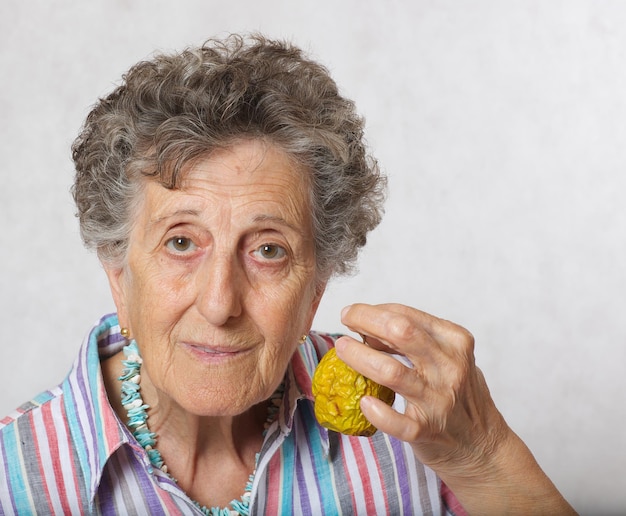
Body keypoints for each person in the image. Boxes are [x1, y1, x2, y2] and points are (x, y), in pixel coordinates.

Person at [0, 34, 575, 515]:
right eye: (181, 242)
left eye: (269, 250)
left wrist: (487, 457)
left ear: (315, 288)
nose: (221, 303)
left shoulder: (413, 431)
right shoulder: (15, 478)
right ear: (119, 274)